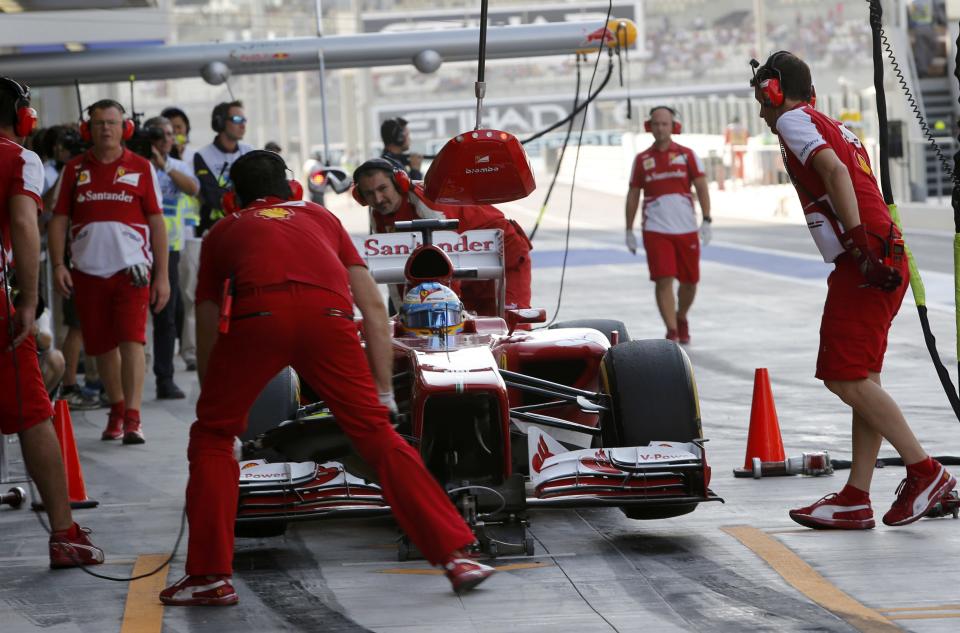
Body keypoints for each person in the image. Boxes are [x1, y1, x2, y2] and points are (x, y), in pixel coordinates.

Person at [159, 151, 494, 606]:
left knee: (213, 438)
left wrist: (213, 394)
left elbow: (205, 316)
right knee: (376, 434)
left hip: (258, 317)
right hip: (329, 318)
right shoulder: (320, 216)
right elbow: (374, 308)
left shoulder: (223, 230)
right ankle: (457, 556)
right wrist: (381, 392)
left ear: (233, 198)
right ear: (293, 189)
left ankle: (208, 577)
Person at [750, 51, 956, 529]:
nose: (761, 112)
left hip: (865, 257)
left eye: (762, 98)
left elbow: (836, 174)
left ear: (774, 91)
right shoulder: (830, 122)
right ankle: (856, 496)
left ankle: (926, 472)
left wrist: (859, 242)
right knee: (863, 379)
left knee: (843, 376)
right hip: (882, 252)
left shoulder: (793, 122)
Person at [0, 75, 104, 568]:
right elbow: (23, 222)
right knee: (33, 416)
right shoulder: (19, 158)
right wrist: (28, 299)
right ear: (24, 118)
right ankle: (64, 534)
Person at [48, 99, 170, 445]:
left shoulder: (142, 167)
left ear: (124, 128)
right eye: (99, 122)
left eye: (112, 122)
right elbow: (58, 221)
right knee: (100, 347)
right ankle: (116, 408)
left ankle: (132, 418)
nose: (105, 128)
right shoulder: (73, 170)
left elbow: (157, 223)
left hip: (131, 270)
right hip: (86, 272)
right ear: (88, 128)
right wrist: (59, 264)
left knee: (132, 340)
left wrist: (162, 276)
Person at [352, 158, 532, 316]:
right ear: (361, 196)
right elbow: (394, 270)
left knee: (511, 324)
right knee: (464, 332)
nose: (378, 199)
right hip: (467, 264)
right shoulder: (377, 214)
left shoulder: (427, 205)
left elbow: (445, 262)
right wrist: (402, 315)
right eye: (369, 193)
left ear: (399, 184)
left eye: (383, 188)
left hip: (502, 253)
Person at [625, 106, 712, 344]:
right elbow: (633, 194)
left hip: (686, 229)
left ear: (673, 126)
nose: (660, 128)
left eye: (665, 124)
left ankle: (681, 316)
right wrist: (628, 230)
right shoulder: (641, 160)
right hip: (655, 230)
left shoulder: (687, 155)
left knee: (690, 282)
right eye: (656, 124)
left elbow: (702, 187)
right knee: (664, 279)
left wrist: (707, 219)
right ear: (649, 127)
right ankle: (672, 331)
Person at [145, 115, 200, 399]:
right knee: (142, 316)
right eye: (160, 133)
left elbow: (193, 188)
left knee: (167, 315)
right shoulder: (138, 165)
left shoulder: (177, 165)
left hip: (171, 248)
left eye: (170, 133)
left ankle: (164, 379)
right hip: (140, 249)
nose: (167, 138)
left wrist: (164, 166)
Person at [161, 106, 201, 371]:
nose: (176, 133)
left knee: (189, 295)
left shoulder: (191, 160)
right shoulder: (153, 161)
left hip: (187, 234)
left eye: (179, 128)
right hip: (162, 239)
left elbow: (194, 190)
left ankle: (190, 350)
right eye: (170, 129)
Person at [193, 100, 252, 236]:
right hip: (215, 228)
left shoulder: (249, 151)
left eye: (244, 120)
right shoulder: (203, 155)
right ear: (220, 122)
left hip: (245, 225)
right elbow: (211, 195)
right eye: (237, 119)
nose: (243, 125)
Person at [724, 116, 749, 183]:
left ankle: (734, 176)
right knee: (741, 162)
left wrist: (725, 145)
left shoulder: (730, 127)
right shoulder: (743, 127)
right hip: (741, 146)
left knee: (733, 163)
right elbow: (746, 137)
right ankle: (741, 176)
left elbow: (726, 138)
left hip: (733, 146)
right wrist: (746, 146)